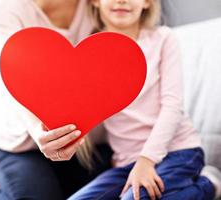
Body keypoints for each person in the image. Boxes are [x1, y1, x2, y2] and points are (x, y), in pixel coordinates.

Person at [66, 0, 221, 200]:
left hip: (177, 152)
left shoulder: (163, 39)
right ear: (95, 1)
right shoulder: (89, 51)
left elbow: (172, 107)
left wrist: (146, 161)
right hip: (126, 163)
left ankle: (208, 185)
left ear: (147, 2)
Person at [0, 0, 114, 199]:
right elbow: (16, 80)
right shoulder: (14, 10)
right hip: (22, 145)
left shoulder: (101, 3)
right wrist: (38, 131)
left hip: (86, 146)